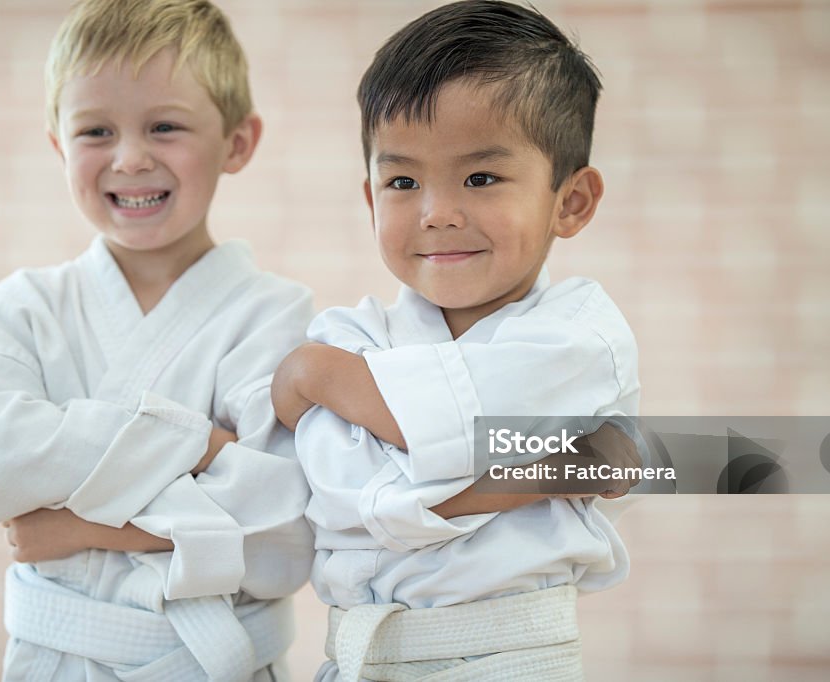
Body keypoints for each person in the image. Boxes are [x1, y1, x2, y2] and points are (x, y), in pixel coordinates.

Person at [271, 1, 641, 679]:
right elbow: (331, 490)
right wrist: (539, 476)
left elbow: (451, 431)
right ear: (370, 197)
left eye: (481, 177)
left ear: (571, 201)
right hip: (357, 658)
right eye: (403, 181)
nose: (437, 213)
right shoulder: (352, 335)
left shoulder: (583, 340)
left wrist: (313, 378)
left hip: (513, 659)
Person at [0, 1, 313, 679]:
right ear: (59, 145)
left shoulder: (273, 314)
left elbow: (281, 536)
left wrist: (80, 527)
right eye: (95, 130)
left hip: (211, 663)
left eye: (165, 126)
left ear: (238, 142)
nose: (130, 158)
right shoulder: (19, 309)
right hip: (56, 661)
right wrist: (203, 447)